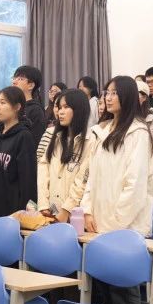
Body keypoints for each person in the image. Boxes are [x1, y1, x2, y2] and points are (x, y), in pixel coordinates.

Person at [81, 76, 153, 304]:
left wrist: (115, 225)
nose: (108, 97)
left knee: (122, 288)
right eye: (107, 92)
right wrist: (87, 210)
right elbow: (92, 177)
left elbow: (135, 185)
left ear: (127, 96)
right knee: (102, 286)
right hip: (100, 222)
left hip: (125, 225)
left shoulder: (138, 133)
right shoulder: (102, 131)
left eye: (114, 93)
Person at [38, 89, 93, 222]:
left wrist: (66, 209)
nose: (60, 112)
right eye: (59, 107)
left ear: (79, 110)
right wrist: (43, 204)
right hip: (50, 211)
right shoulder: (55, 137)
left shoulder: (90, 141)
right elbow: (43, 170)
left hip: (75, 215)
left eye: (66, 107)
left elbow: (83, 180)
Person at [0, 86, 37, 219]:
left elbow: (28, 180)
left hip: (13, 213)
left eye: (3, 103)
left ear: (17, 107)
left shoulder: (24, 136)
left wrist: (25, 213)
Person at [12, 65, 46, 145]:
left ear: (30, 85)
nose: (14, 82)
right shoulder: (12, 107)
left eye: (20, 79)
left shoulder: (36, 110)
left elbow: (35, 141)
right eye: (14, 78)